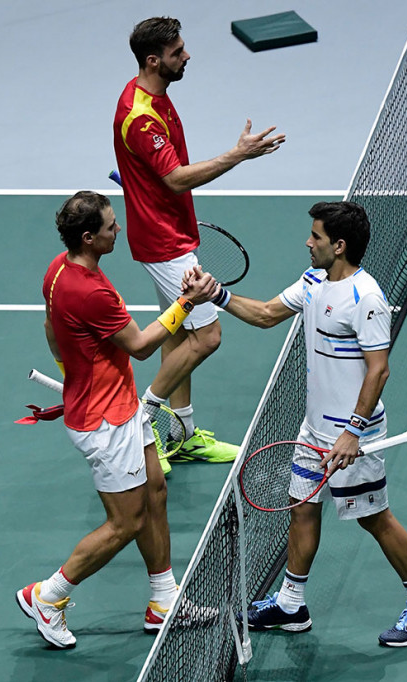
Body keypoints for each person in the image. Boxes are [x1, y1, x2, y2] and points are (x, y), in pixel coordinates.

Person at [212, 201, 407, 647]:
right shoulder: (313, 282)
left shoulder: (367, 299)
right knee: (302, 509)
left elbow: (379, 371)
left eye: (316, 237)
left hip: (353, 438)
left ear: (338, 246)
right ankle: (291, 604)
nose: (308, 242)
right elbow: (265, 314)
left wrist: (353, 432)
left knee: (374, 519)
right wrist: (217, 296)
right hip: (314, 431)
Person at [15, 191, 218, 649]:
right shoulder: (93, 291)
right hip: (106, 424)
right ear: (89, 237)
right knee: (124, 522)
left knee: (155, 491)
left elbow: (52, 332)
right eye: (110, 226)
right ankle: (48, 596)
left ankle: (164, 600)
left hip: (116, 406)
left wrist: (74, 379)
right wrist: (187, 301)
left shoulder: (58, 270)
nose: (118, 230)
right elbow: (143, 345)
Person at [113, 16, 286, 467]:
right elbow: (174, 178)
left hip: (168, 232)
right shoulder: (141, 117)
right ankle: (141, 419)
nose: (186, 56)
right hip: (165, 244)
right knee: (207, 337)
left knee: (178, 333)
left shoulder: (153, 97)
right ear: (154, 61)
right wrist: (238, 154)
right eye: (177, 52)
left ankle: (182, 434)